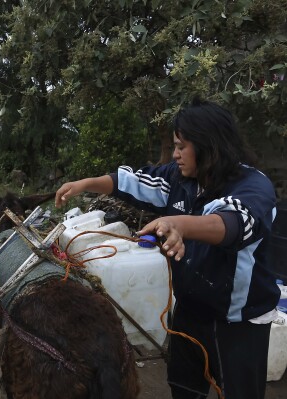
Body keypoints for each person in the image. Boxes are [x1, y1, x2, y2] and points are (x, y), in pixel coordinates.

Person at [55, 98, 280, 399]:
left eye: (181, 146)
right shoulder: (181, 179)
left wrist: (180, 224)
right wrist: (85, 183)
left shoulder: (253, 187)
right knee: (184, 388)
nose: (174, 154)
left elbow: (230, 224)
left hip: (238, 320)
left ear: (209, 146)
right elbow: (132, 182)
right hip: (190, 308)